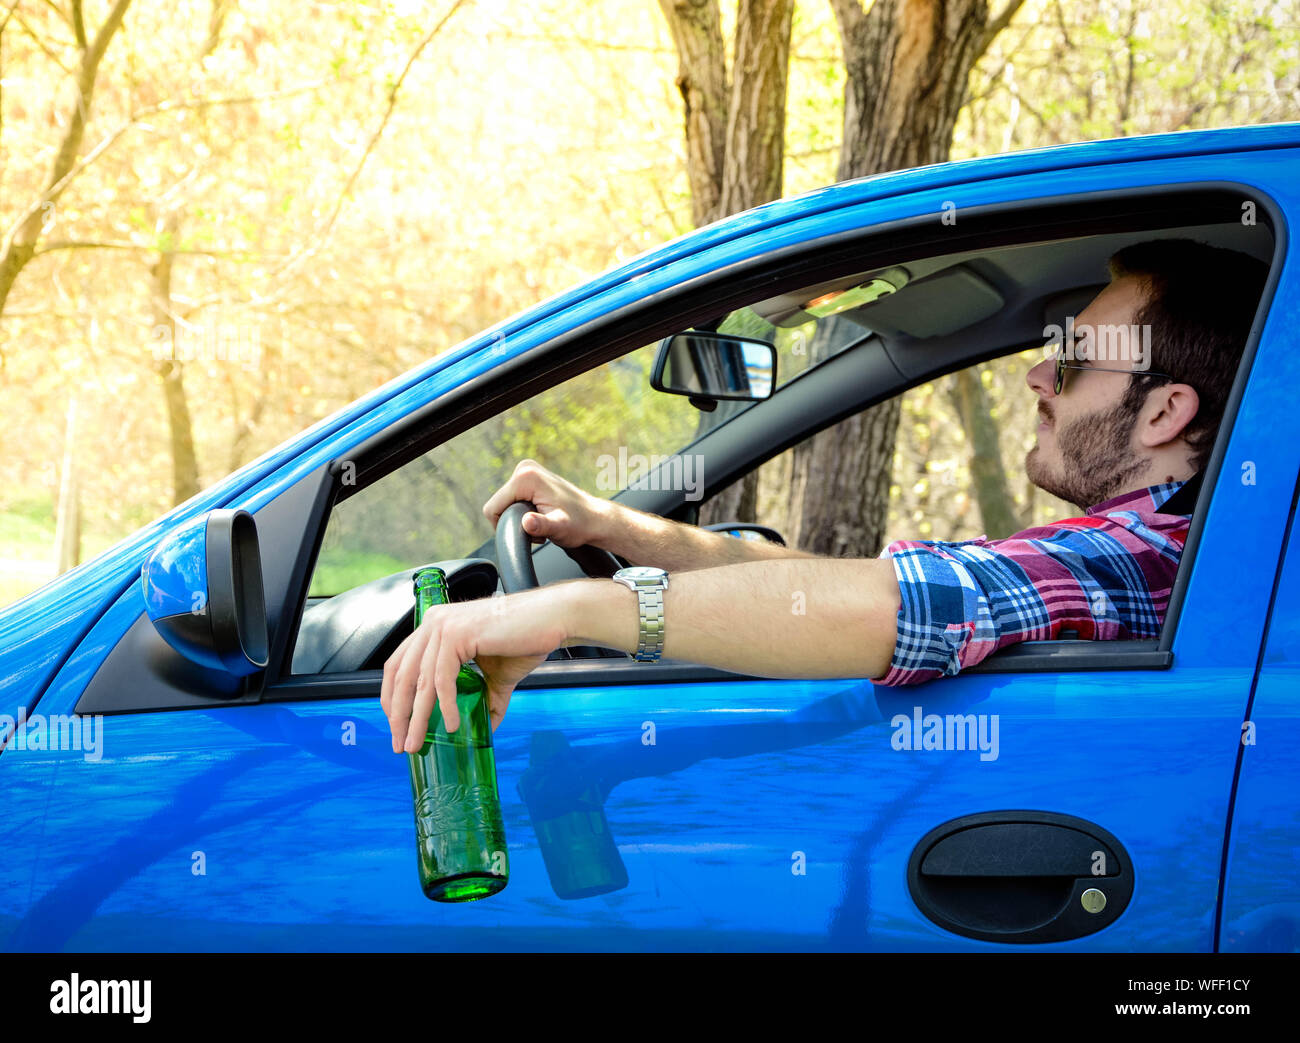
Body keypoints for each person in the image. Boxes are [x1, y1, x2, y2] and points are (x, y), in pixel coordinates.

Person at [380, 238, 1268, 753]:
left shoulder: (1142, 557)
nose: (1039, 373)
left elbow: (893, 606)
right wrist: (619, 528)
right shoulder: (1152, 543)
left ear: (1165, 411)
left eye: (1072, 358)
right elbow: (832, 585)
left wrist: (573, 610)